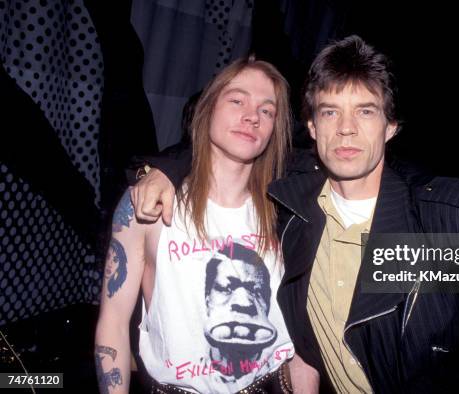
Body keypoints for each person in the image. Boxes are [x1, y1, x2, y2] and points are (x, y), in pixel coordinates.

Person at [130, 36, 459, 393]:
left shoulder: (439, 220)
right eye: (331, 113)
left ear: (392, 126)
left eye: (367, 111)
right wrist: (167, 168)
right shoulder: (294, 206)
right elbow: (232, 144)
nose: (348, 130)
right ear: (311, 127)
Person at [95, 57, 309, 394]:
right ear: (207, 110)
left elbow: (302, 332)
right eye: (237, 100)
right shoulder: (148, 204)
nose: (252, 116)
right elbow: (114, 323)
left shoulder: (287, 208)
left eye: (267, 111)